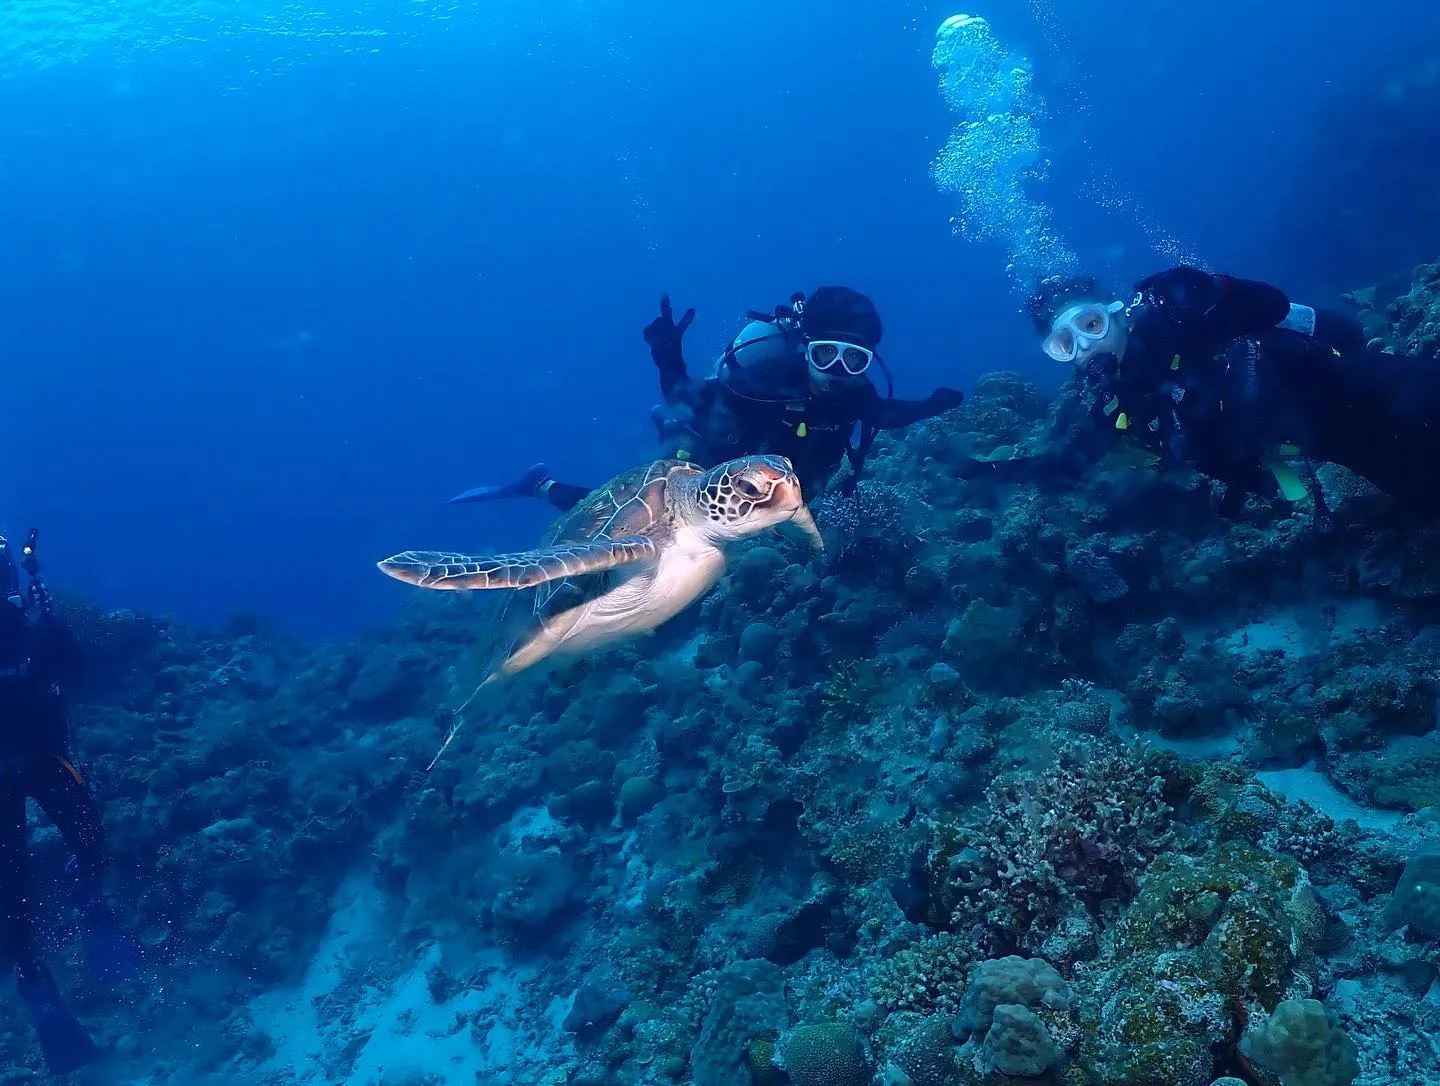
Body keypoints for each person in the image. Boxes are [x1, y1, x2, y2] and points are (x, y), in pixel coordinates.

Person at [975, 265, 1437, 520]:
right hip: (1342, 447)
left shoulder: (1176, 321)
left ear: (1117, 314)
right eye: (1065, 343)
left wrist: (1213, 287)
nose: (1087, 344)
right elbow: (1067, 467)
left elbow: (1271, 306)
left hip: (1368, 386)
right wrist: (987, 471)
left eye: (1091, 323)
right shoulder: (1116, 406)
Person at [451, 286, 967, 511]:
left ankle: (667, 431)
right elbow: (685, 393)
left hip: (786, 494)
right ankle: (538, 486)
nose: (838, 372)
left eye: (854, 361)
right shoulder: (759, 382)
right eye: (827, 355)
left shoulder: (855, 391)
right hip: (713, 474)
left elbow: (883, 413)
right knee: (633, 522)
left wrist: (930, 405)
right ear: (805, 346)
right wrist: (667, 354)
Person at [0, 529, 134, 1074]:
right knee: (10, 886)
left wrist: (46, 624)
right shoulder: (32, 622)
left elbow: (76, 665)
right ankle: (42, 997)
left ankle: (88, 900)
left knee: (90, 840)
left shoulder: (32, 624)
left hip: (46, 758)